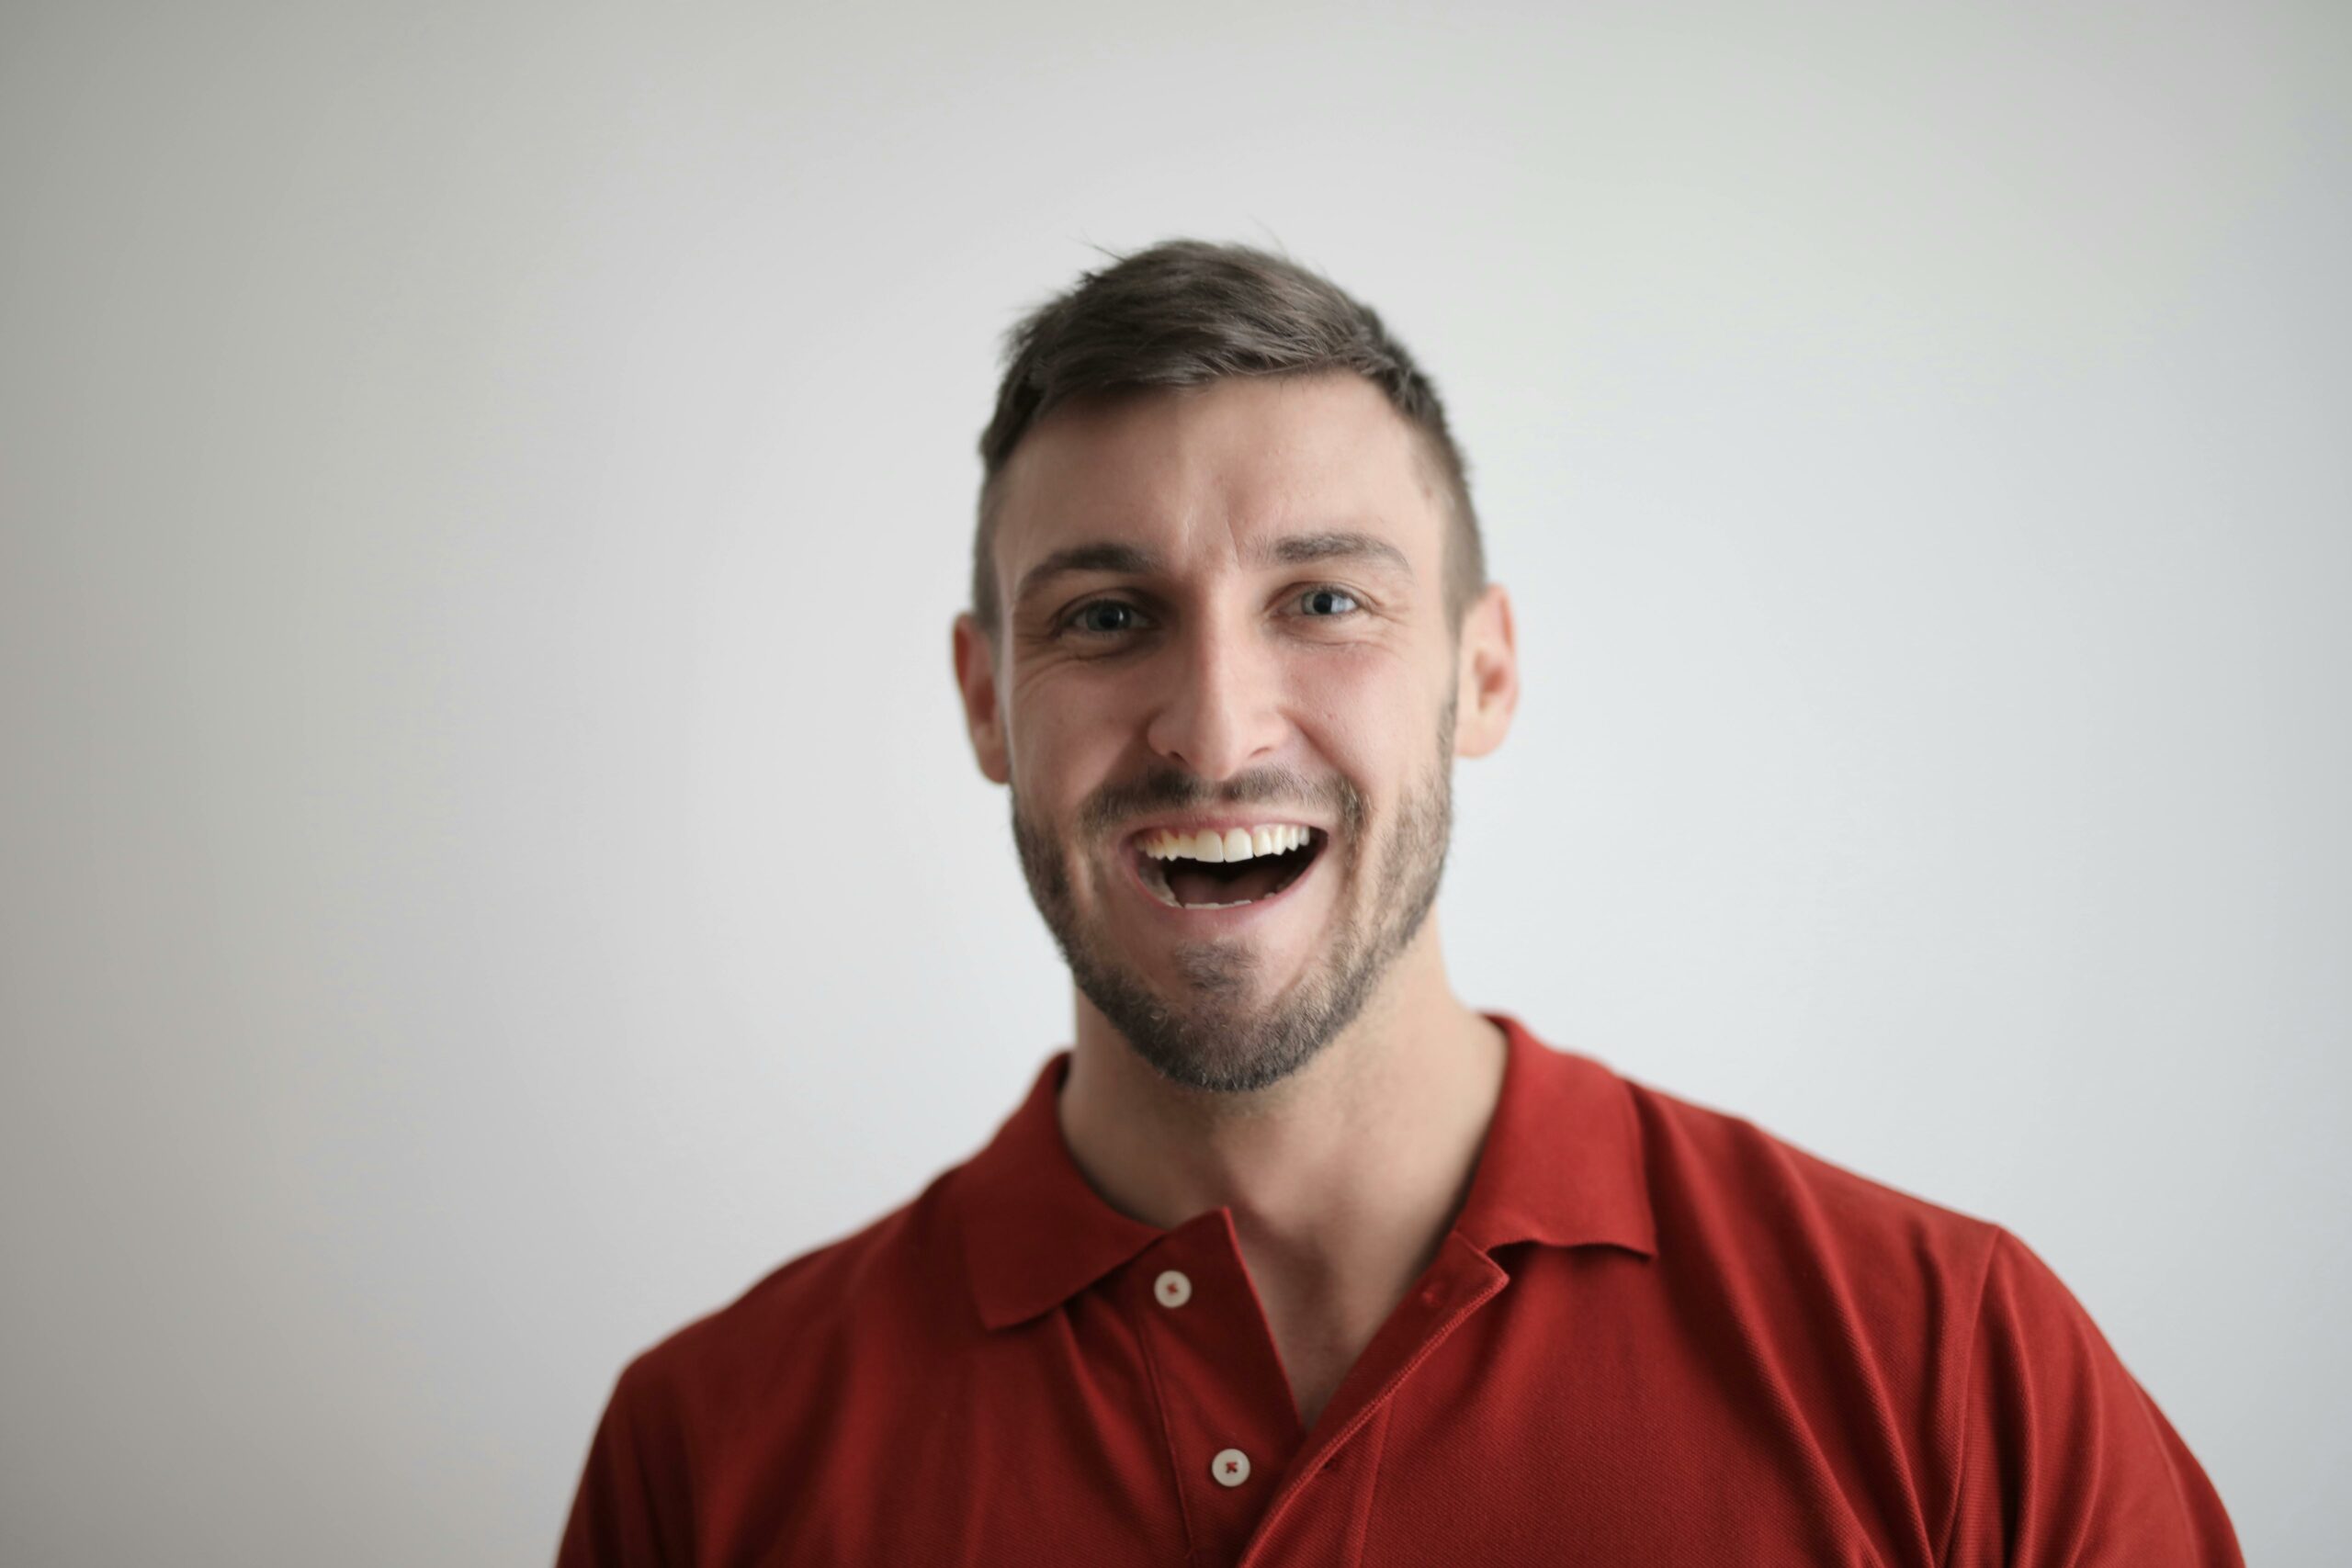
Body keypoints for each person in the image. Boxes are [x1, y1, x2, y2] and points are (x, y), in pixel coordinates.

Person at [555, 242, 2239, 1565]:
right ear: (988, 702)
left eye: (1325, 599)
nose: (1217, 731)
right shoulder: (710, 1457)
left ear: (1483, 673)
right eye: (1106, 618)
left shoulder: (1956, 1372)